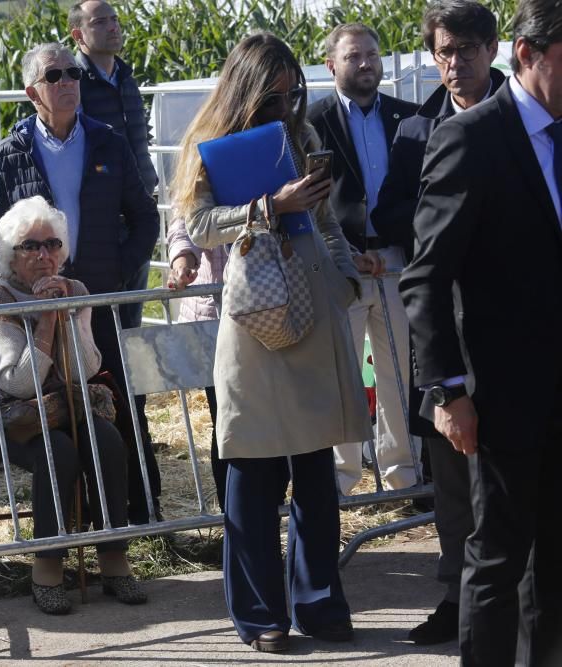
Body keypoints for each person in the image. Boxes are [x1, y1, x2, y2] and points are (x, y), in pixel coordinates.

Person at [172, 32, 370, 653]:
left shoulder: (305, 135)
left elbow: (328, 218)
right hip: (254, 317)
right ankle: (261, 616)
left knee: (315, 472)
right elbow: (197, 223)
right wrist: (266, 206)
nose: (286, 104)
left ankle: (320, 605)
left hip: (314, 306)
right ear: (247, 89)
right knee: (253, 474)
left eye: (293, 92)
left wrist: (343, 279)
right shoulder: (210, 145)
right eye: (274, 94)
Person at [400, 0, 562, 663]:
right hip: (497, 399)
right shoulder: (473, 137)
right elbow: (426, 278)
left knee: (555, 563)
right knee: (496, 560)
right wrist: (450, 391)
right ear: (529, 54)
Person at [0, 42, 162, 524]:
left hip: (98, 298)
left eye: (73, 73)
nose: (68, 83)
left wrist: (118, 274)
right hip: (31, 311)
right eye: (54, 76)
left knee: (122, 407)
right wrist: (15, 277)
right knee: (57, 421)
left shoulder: (110, 143)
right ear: (33, 92)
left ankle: (138, 525)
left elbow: (144, 217)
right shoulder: (10, 152)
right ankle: (64, 542)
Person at [372, 0, 502, 646]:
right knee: (450, 480)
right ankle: (457, 596)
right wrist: (441, 223)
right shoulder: (415, 131)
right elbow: (389, 210)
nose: (456, 63)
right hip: (439, 328)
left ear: (494, 50)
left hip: (515, 329)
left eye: (468, 50)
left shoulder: (531, 119)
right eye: (445, 51)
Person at [0, 195, 146, 615]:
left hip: (65, 406)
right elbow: (19, 382)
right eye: (32, 246)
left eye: (52, 244)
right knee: (58, 450)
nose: (44, 255)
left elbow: (85, 368)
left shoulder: (76, 291)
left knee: (107, 439)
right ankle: (47, 565)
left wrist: (66, 312)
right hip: (7, 415)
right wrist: (46, 318)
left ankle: (113, 557)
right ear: (13, 255)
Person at [308, 23, 421, 495]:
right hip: (341, 264)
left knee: (398, 373)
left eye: (372, 55)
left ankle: (403, 478)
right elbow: (313, 201)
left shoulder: (410, 119)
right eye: (354, 56)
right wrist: (348, 253)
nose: (367, 64)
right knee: (342, 373)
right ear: (332, 64)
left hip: (396, 261)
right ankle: (341, 479)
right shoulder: (312, 123)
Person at [69, 0, 158, 333]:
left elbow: (140, 134)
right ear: (79, 34)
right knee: (103, 320)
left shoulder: (126, 77)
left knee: (133, 315)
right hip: (101, 218)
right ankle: (111, 386)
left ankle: (135, 387)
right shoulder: (73, 83)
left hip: (138, 210)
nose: (113, 27)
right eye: (100, 22)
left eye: (115, 20)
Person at [165, 217, 228, 512]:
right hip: (214, 315)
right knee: (227, 422)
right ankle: (234, 518)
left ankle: (268, 510)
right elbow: (184, 222)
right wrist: (182, 261)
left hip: (272, 308)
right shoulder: (200, 170)